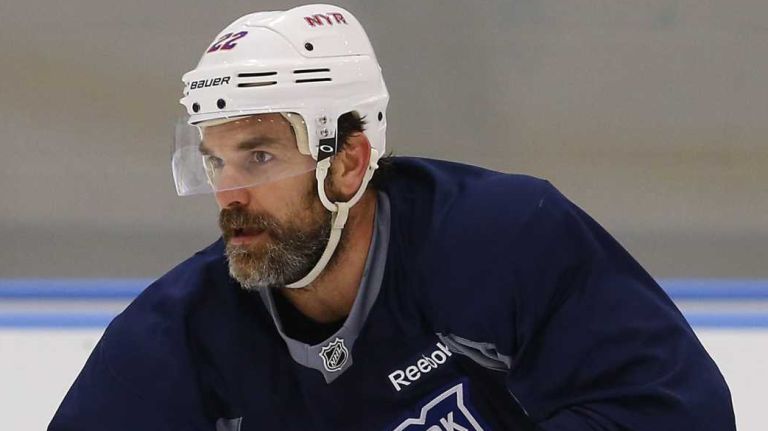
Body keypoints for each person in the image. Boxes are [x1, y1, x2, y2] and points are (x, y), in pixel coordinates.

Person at [50, 4, 735, 430]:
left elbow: (678, 411)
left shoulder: (504, 240)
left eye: (258, 156)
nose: (230, 193)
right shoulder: (175, 335)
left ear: (350, 159)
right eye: (216, 161)